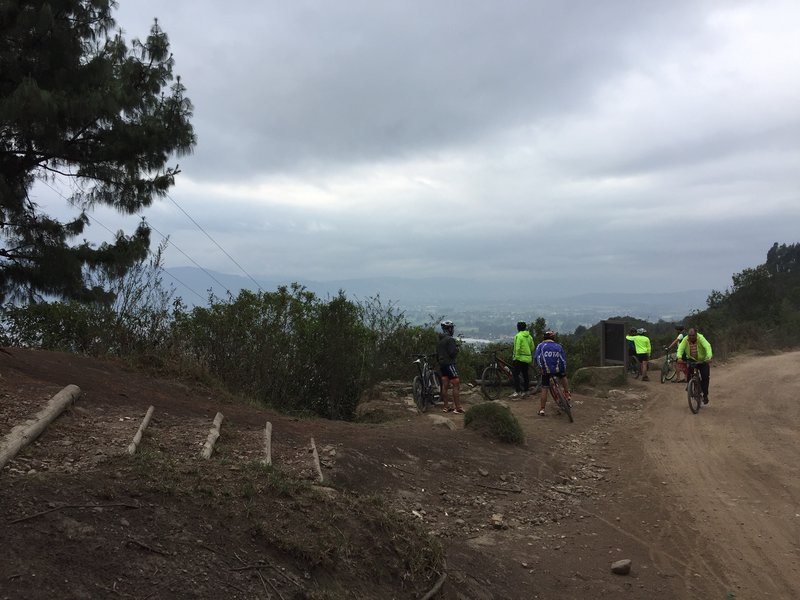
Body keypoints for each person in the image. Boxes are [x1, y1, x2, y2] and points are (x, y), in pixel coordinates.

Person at [534, 330, 570, 416]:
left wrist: (541, 367)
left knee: (544, 388)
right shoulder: (558, 346)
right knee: (563, 376)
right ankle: (567, 393)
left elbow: (536, 358)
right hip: (558, 369)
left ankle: (542, 409)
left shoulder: (540, 346)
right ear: (553, 338)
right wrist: (563, 369)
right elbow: (563, 359)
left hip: (546, 370)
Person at [676, 328, 713, 404]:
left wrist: (709, 357)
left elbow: (707, 346)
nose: (691, 337)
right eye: (690, 335)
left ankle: (705, 395)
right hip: (692, 360)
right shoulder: (685, 339)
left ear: (696, 334)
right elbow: (680, 348)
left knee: (705, 377)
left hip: (703, 360)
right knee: (689, 374)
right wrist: (679, 357)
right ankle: (690, 386)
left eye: (693, 335)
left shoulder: (701, 338)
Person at [437, 320, 464, 414]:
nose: (452, 329)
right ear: (449, 329)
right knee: (456, 384)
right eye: (451, 328)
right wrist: (457, 349)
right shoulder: (450, 339)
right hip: (449, 364)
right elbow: (452, 354)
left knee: (445, 385)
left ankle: (446, 407)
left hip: (442, 365)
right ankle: (458, 407)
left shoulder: (440, 340)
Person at [511, 321, 534, 398]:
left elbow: (517, 348)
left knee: (515, 375)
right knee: (525, 374)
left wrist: (515, 357)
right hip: (527, 358)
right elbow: (532, 347)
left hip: (519, 358)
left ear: (518, 328)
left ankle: (518, 391)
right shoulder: (529, 336)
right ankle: (526, 391)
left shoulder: (518, 336)